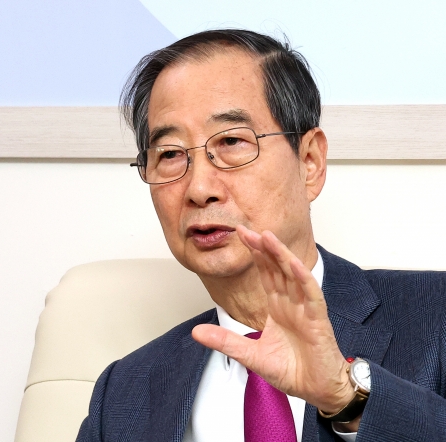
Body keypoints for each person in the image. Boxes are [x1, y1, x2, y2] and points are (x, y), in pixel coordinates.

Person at [76, 29, 446, 442]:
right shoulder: (124, 393)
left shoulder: (436, 315)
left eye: (232, 141)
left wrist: (347, 397)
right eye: (170, 154)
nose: (200, 189)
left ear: (309, 162)